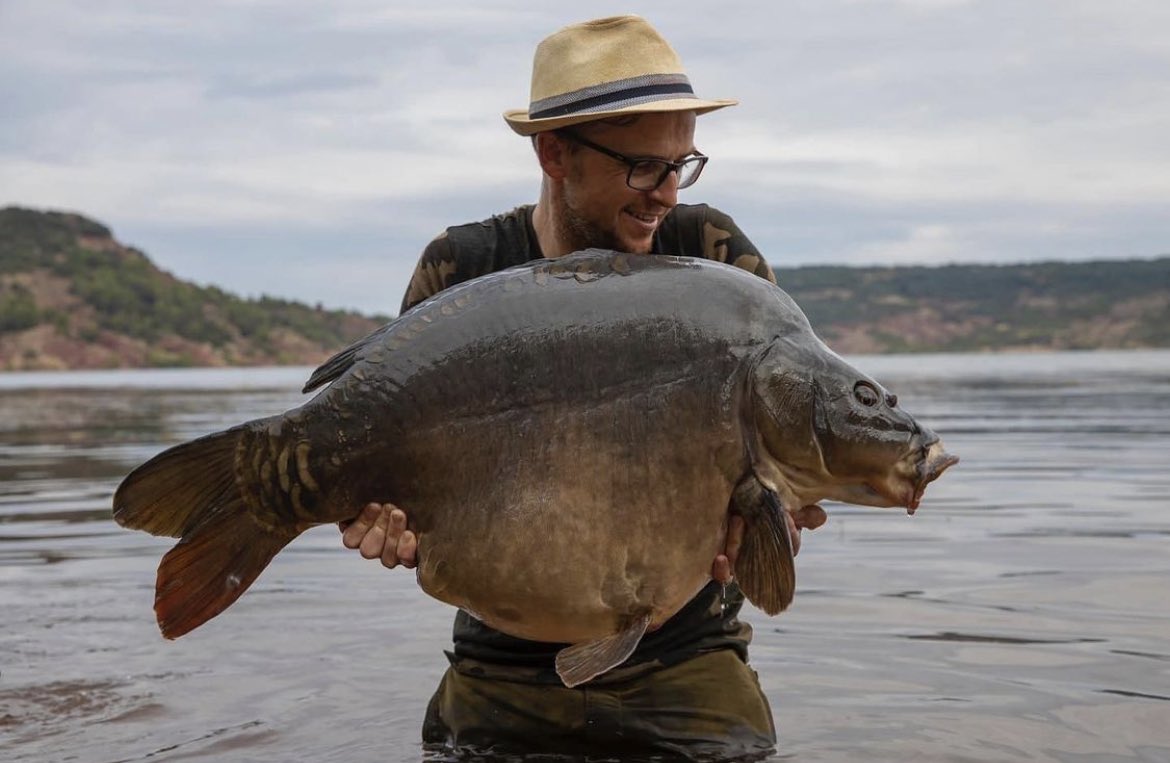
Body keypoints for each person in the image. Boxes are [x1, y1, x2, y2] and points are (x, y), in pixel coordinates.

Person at [340, 14, 827, 759]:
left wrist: (776, 520)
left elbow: (780, 456)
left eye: (683, 165)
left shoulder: (713, 257)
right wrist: (380, 520)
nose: (667, 194)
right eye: (645, 167)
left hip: (686, 658)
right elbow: (392, 464)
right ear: (554, 152)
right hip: (499, 662)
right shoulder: (461, 269)